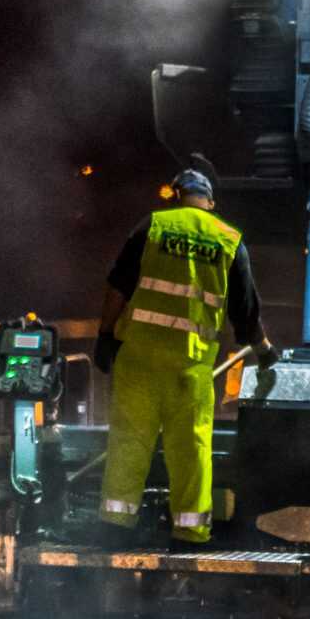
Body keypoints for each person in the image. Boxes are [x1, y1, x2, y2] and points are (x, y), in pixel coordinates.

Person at [92, 168, 265, 545]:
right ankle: (189, 531)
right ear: (211, 202)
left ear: (175, 196)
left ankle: (115, 527)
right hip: (190, 368)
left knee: (129, 443)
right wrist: (264, 350)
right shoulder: (228, 240)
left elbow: (117, 287)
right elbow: (246, 312)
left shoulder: (151, 227)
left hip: (138, 359)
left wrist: (105, 336)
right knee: (191, 450)